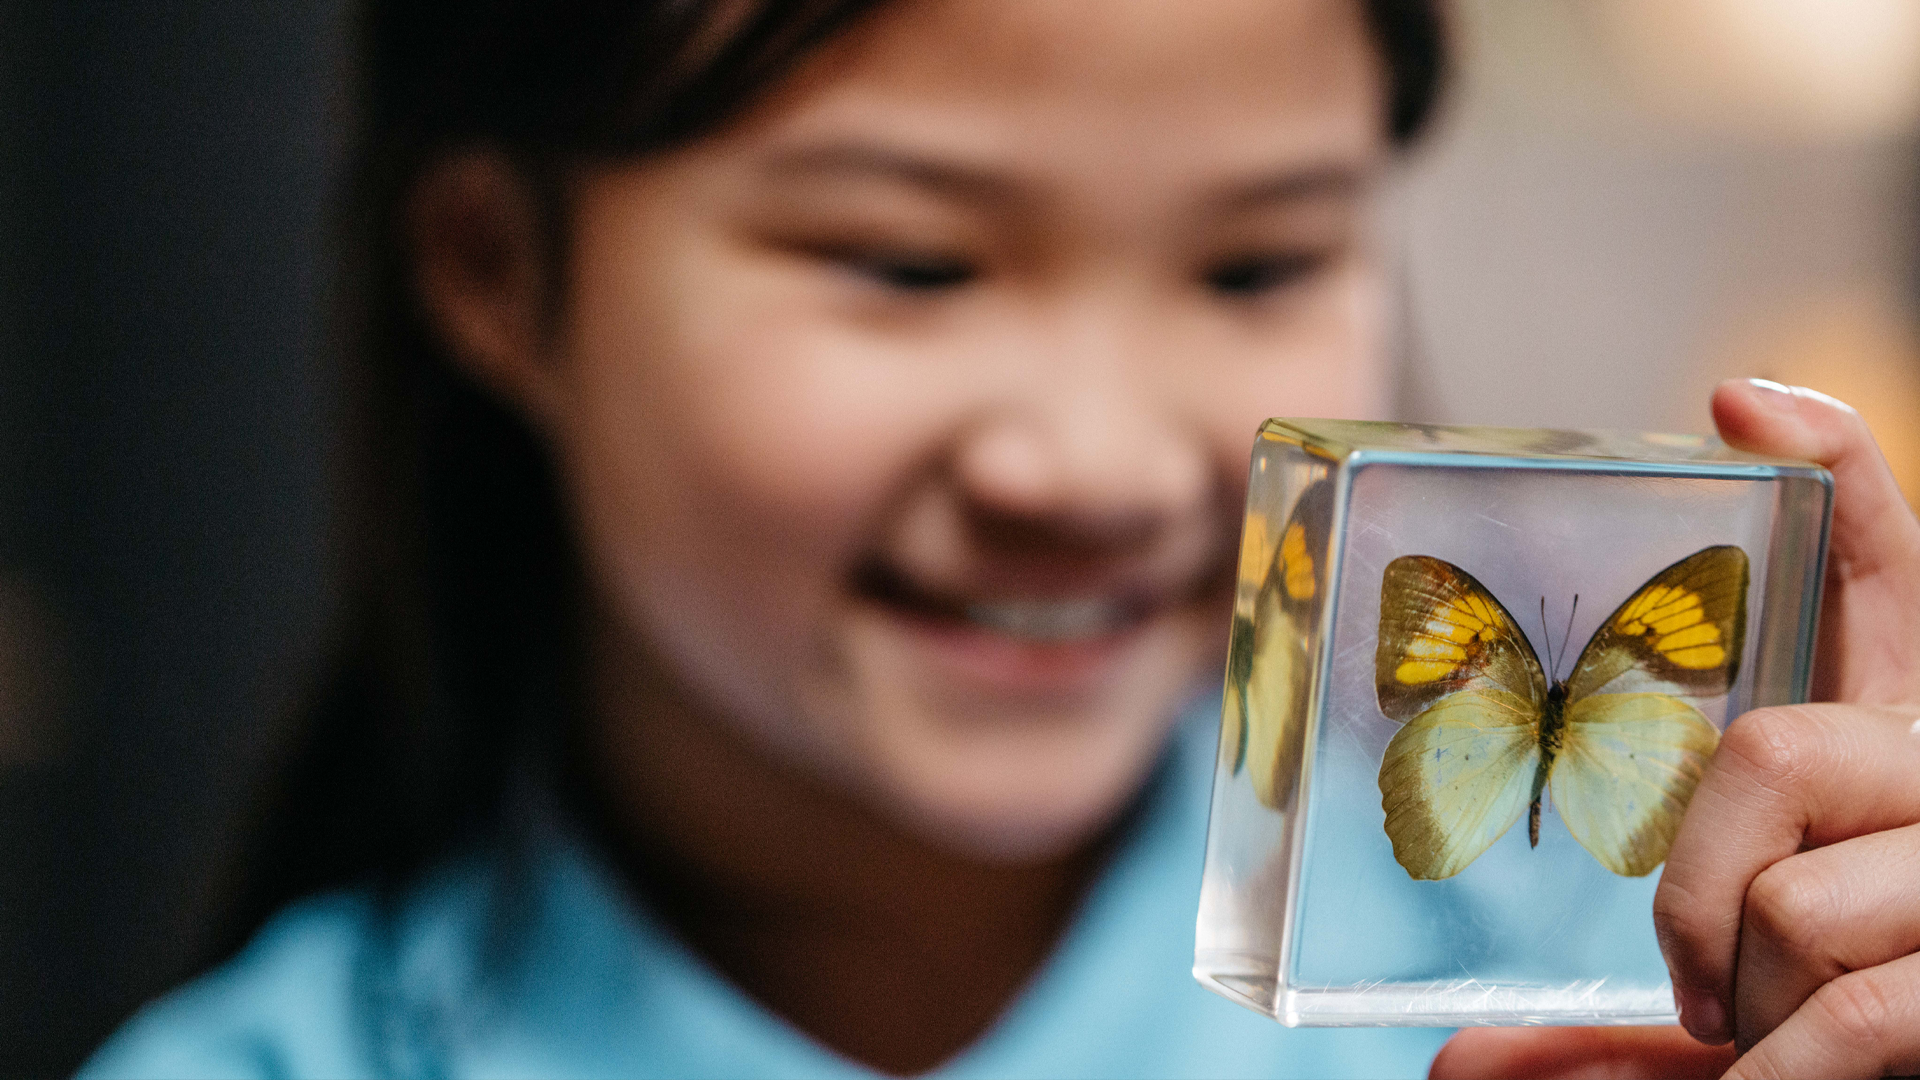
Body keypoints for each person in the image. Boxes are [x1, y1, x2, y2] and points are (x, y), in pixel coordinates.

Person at [79, 0, 1920, 1077]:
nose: (1094, 463)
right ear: (495, 273)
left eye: (1258, 261)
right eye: (907, 261)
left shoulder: (1672, 994)